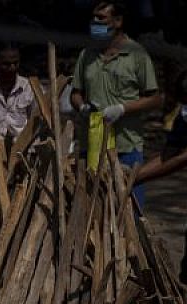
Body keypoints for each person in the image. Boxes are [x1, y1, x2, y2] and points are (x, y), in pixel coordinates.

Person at [70, 1, 161, 205]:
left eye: (101, 18)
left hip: (125, 146)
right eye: (93, 17)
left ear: (118, 21)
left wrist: (122, 109)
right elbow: (75, 93)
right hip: (92, 144)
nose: (95, 22)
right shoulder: (87, 54)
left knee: (129, 211)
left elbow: (155, 98)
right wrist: (82, 107)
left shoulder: (137, 54)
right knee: (92, 209)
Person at [137, 68, 187, 287]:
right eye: (182, 101)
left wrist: (136, 178)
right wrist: (133, 175)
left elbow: (184, 157)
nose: (186, 107)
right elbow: (170, 153)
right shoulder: (186, 117)